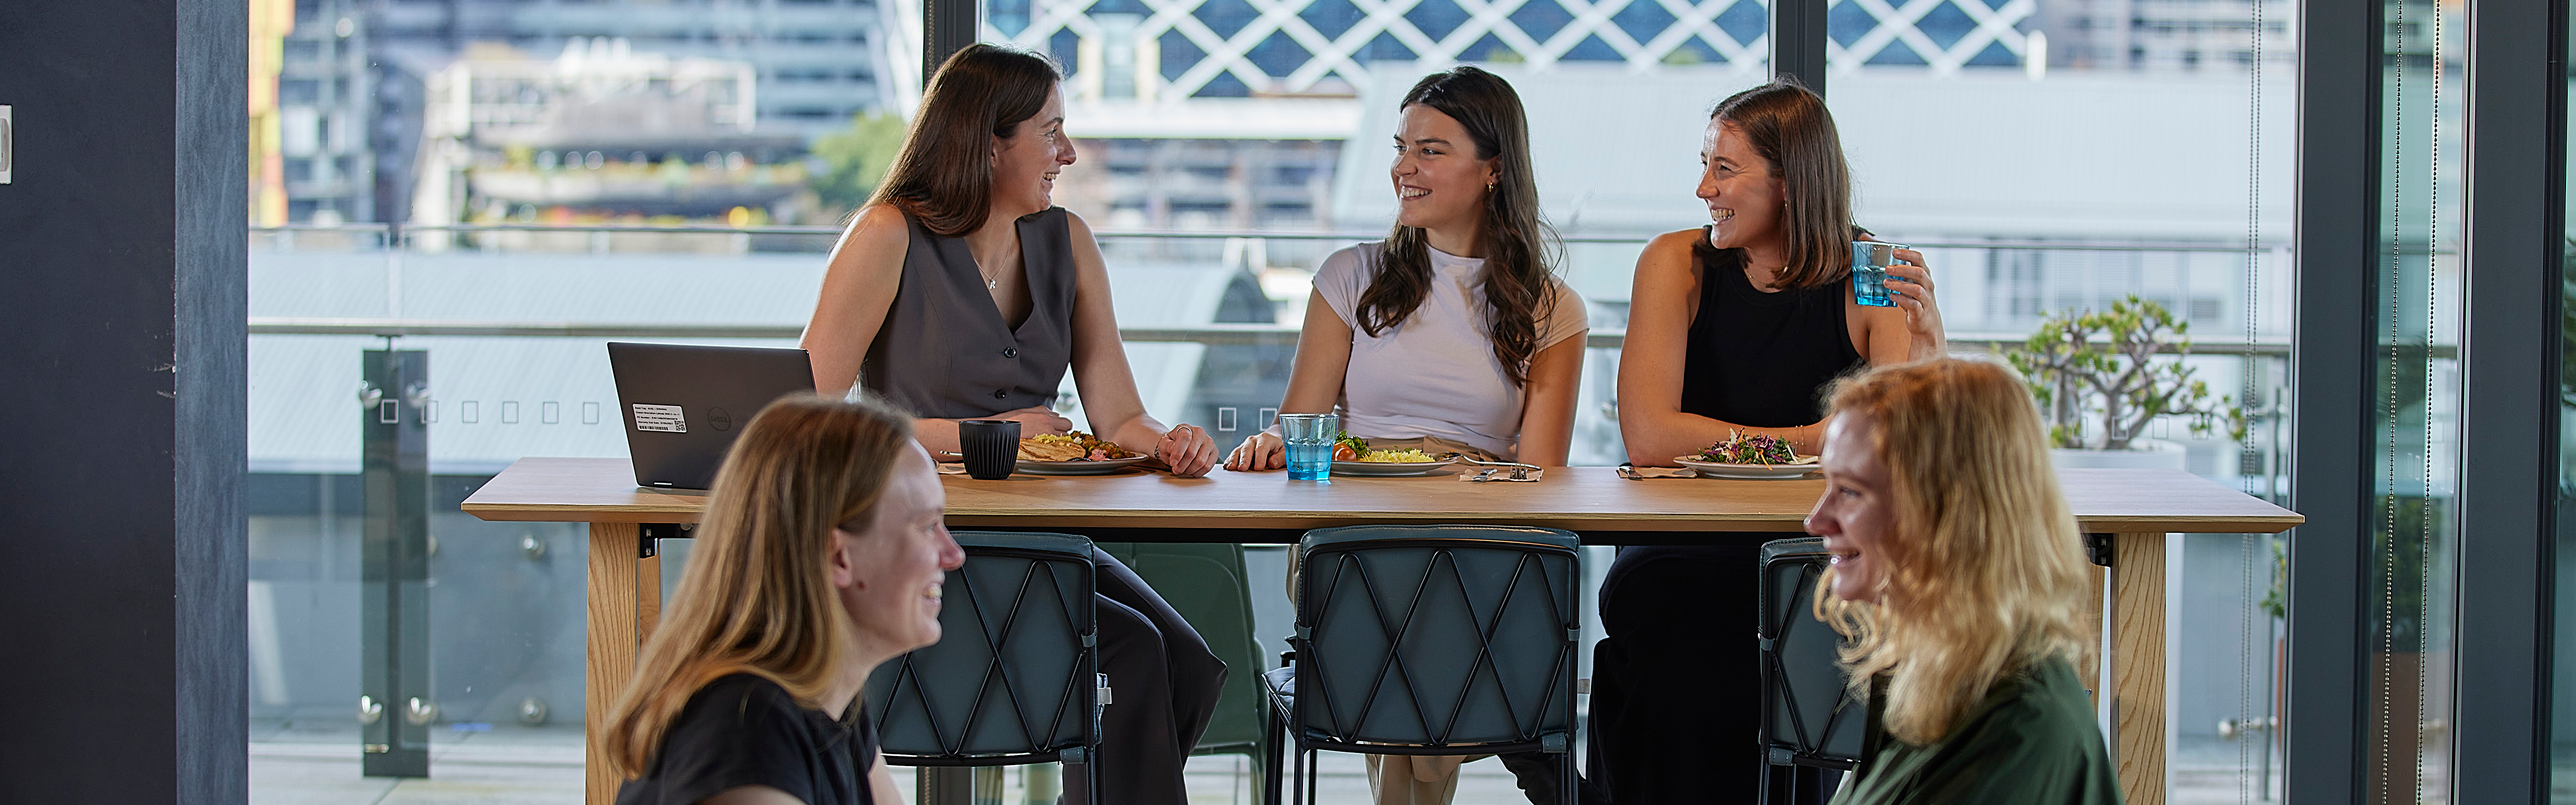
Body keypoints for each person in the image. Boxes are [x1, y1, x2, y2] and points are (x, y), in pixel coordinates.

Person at [797, 44, 1226, 805]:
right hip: (928, 541)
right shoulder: (887, 235)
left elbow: (1117, 413)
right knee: (1133, 653)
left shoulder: (1070, 242)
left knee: (1188, 661)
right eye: (1051, 131)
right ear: (988, 142)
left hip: (1044, 537)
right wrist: (984, 435)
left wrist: (1167, 441)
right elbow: (809, 418)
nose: (1068, 152)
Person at [1223, 66, 1586, 805]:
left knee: (1441, 595)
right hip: (1353, 530)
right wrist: (1274, 442)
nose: (1403, 168)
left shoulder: (1553, 309)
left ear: (1494, 170)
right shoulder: (1349, 276)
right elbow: (1305, 428)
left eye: (1430, 150)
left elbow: (1541, 478)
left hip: (1474, 530)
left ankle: (1420, 770)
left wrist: (1448, 482)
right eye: (1401, 147)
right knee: (1416, 606)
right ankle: (1468, 764)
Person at [1595, 78, 1948, 801]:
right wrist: (1812, 439)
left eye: (1724, 169)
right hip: (1681, 544)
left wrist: (1933, 346)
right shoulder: (1676, 261)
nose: (1702, 188)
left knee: (1814, 619)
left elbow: (1895, 435)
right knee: (1668, 621)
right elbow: (1652, 436)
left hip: (1818, 548)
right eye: (1705, 164)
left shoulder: (1871, 273)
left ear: (1791, 181)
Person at [604, 394, 960, 805]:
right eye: (928, 526)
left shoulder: (831, 702)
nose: (954, 554)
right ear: (838, 555)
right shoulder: (745, 731)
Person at [1807, 358, 2116, 804]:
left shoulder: (2017, 730)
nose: (1816, 519)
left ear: (1949, 514)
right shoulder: (1932, 672)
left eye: (1851, 491)